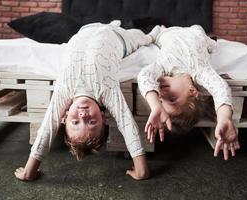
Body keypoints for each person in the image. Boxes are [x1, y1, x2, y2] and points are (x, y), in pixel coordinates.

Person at [14, 20, 153, 181]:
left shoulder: (65, 90)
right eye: (92, 122)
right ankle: (151, 33)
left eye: (76, 122)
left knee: (113, 28)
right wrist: (142, 170)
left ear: (64, 117)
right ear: (103, 116)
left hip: (85, 30)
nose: (83, 116)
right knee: (142, 38)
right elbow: (126, 123)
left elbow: (48, 128)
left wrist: (29, 171)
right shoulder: (105, 90)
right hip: (118, 38)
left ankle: (114, 23)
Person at [137, 25, 240, 160]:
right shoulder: (200, 71)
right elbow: (220, 88)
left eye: (161, 100)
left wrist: (155, 105)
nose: (162, 94)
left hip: (165, 33)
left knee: (154, 34)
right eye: (172, 98)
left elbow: (144, 75)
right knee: (208, 40)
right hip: (195, 31)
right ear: (192, 91)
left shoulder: (162, 67)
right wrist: (224, 117)